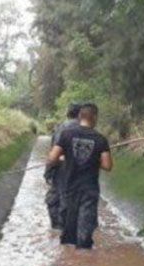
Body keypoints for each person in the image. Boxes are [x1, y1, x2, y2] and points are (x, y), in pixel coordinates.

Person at [46, 103, 112, 249]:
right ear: (94, 117)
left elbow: (52, 158)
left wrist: (65, 158)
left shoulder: (66, 134)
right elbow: (107, 166)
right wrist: (93, 159)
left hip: (69, 188)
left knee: (68, 230)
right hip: (89, 189)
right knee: (85, 230)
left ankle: (68, 263)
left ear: (80, 117)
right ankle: (84, 257)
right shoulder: (100, 139)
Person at [44, 103, 81, 229]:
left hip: (62, 170)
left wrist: (48, 172)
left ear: (68, 113)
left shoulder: (62, 128)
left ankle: (58, 229)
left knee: (56, 199)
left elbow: (54, 154)